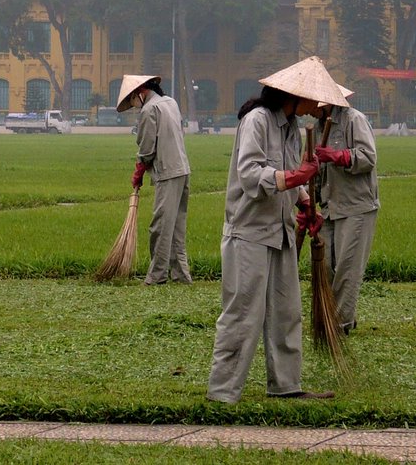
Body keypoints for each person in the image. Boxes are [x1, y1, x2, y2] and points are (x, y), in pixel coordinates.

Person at [206, 56, 349, 403]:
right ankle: (222, 392)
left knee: (286, 313)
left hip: (281, 231)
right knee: (243, 314)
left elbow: (288, 173)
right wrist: (295, 178)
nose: (319, 107)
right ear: (295, 95)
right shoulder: (256, 121)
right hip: (250, 232)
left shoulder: (292, 128)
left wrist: (303, 202)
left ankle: (286, 386)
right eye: (316, 99)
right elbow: (251, 173)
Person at [309, 86, 379, 336]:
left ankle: (339, 323)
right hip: (329, 206)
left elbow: (368, 158)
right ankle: (327, 315)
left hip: (356, 206)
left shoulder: (354, 120)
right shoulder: (317, 128)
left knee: (348, 268)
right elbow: (316, 171)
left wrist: (337, 156)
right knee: (325, 266)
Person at [116, 74, 192, 285]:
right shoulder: (170, 103)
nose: (135, 108)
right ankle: (181, 275)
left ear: (140, 93)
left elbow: (147, 148)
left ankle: (157, 275)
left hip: (168, 172)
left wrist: (138, 172)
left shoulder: (149, 110)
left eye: (133, 102)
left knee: (160, 227)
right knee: (176, 226)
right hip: (183, 170)